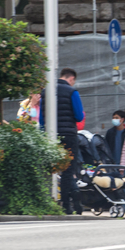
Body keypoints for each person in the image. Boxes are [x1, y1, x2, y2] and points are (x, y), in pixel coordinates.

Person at [40, 68, 85, 215]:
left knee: (50, 168)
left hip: (51, 135)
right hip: (69, 135)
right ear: (71, 79)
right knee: (67, 170)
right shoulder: (72, 92)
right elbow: (79, 116)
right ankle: (67, 203)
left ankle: (49, 200)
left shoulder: (46, 91)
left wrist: (44, 133)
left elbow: (41, 118)